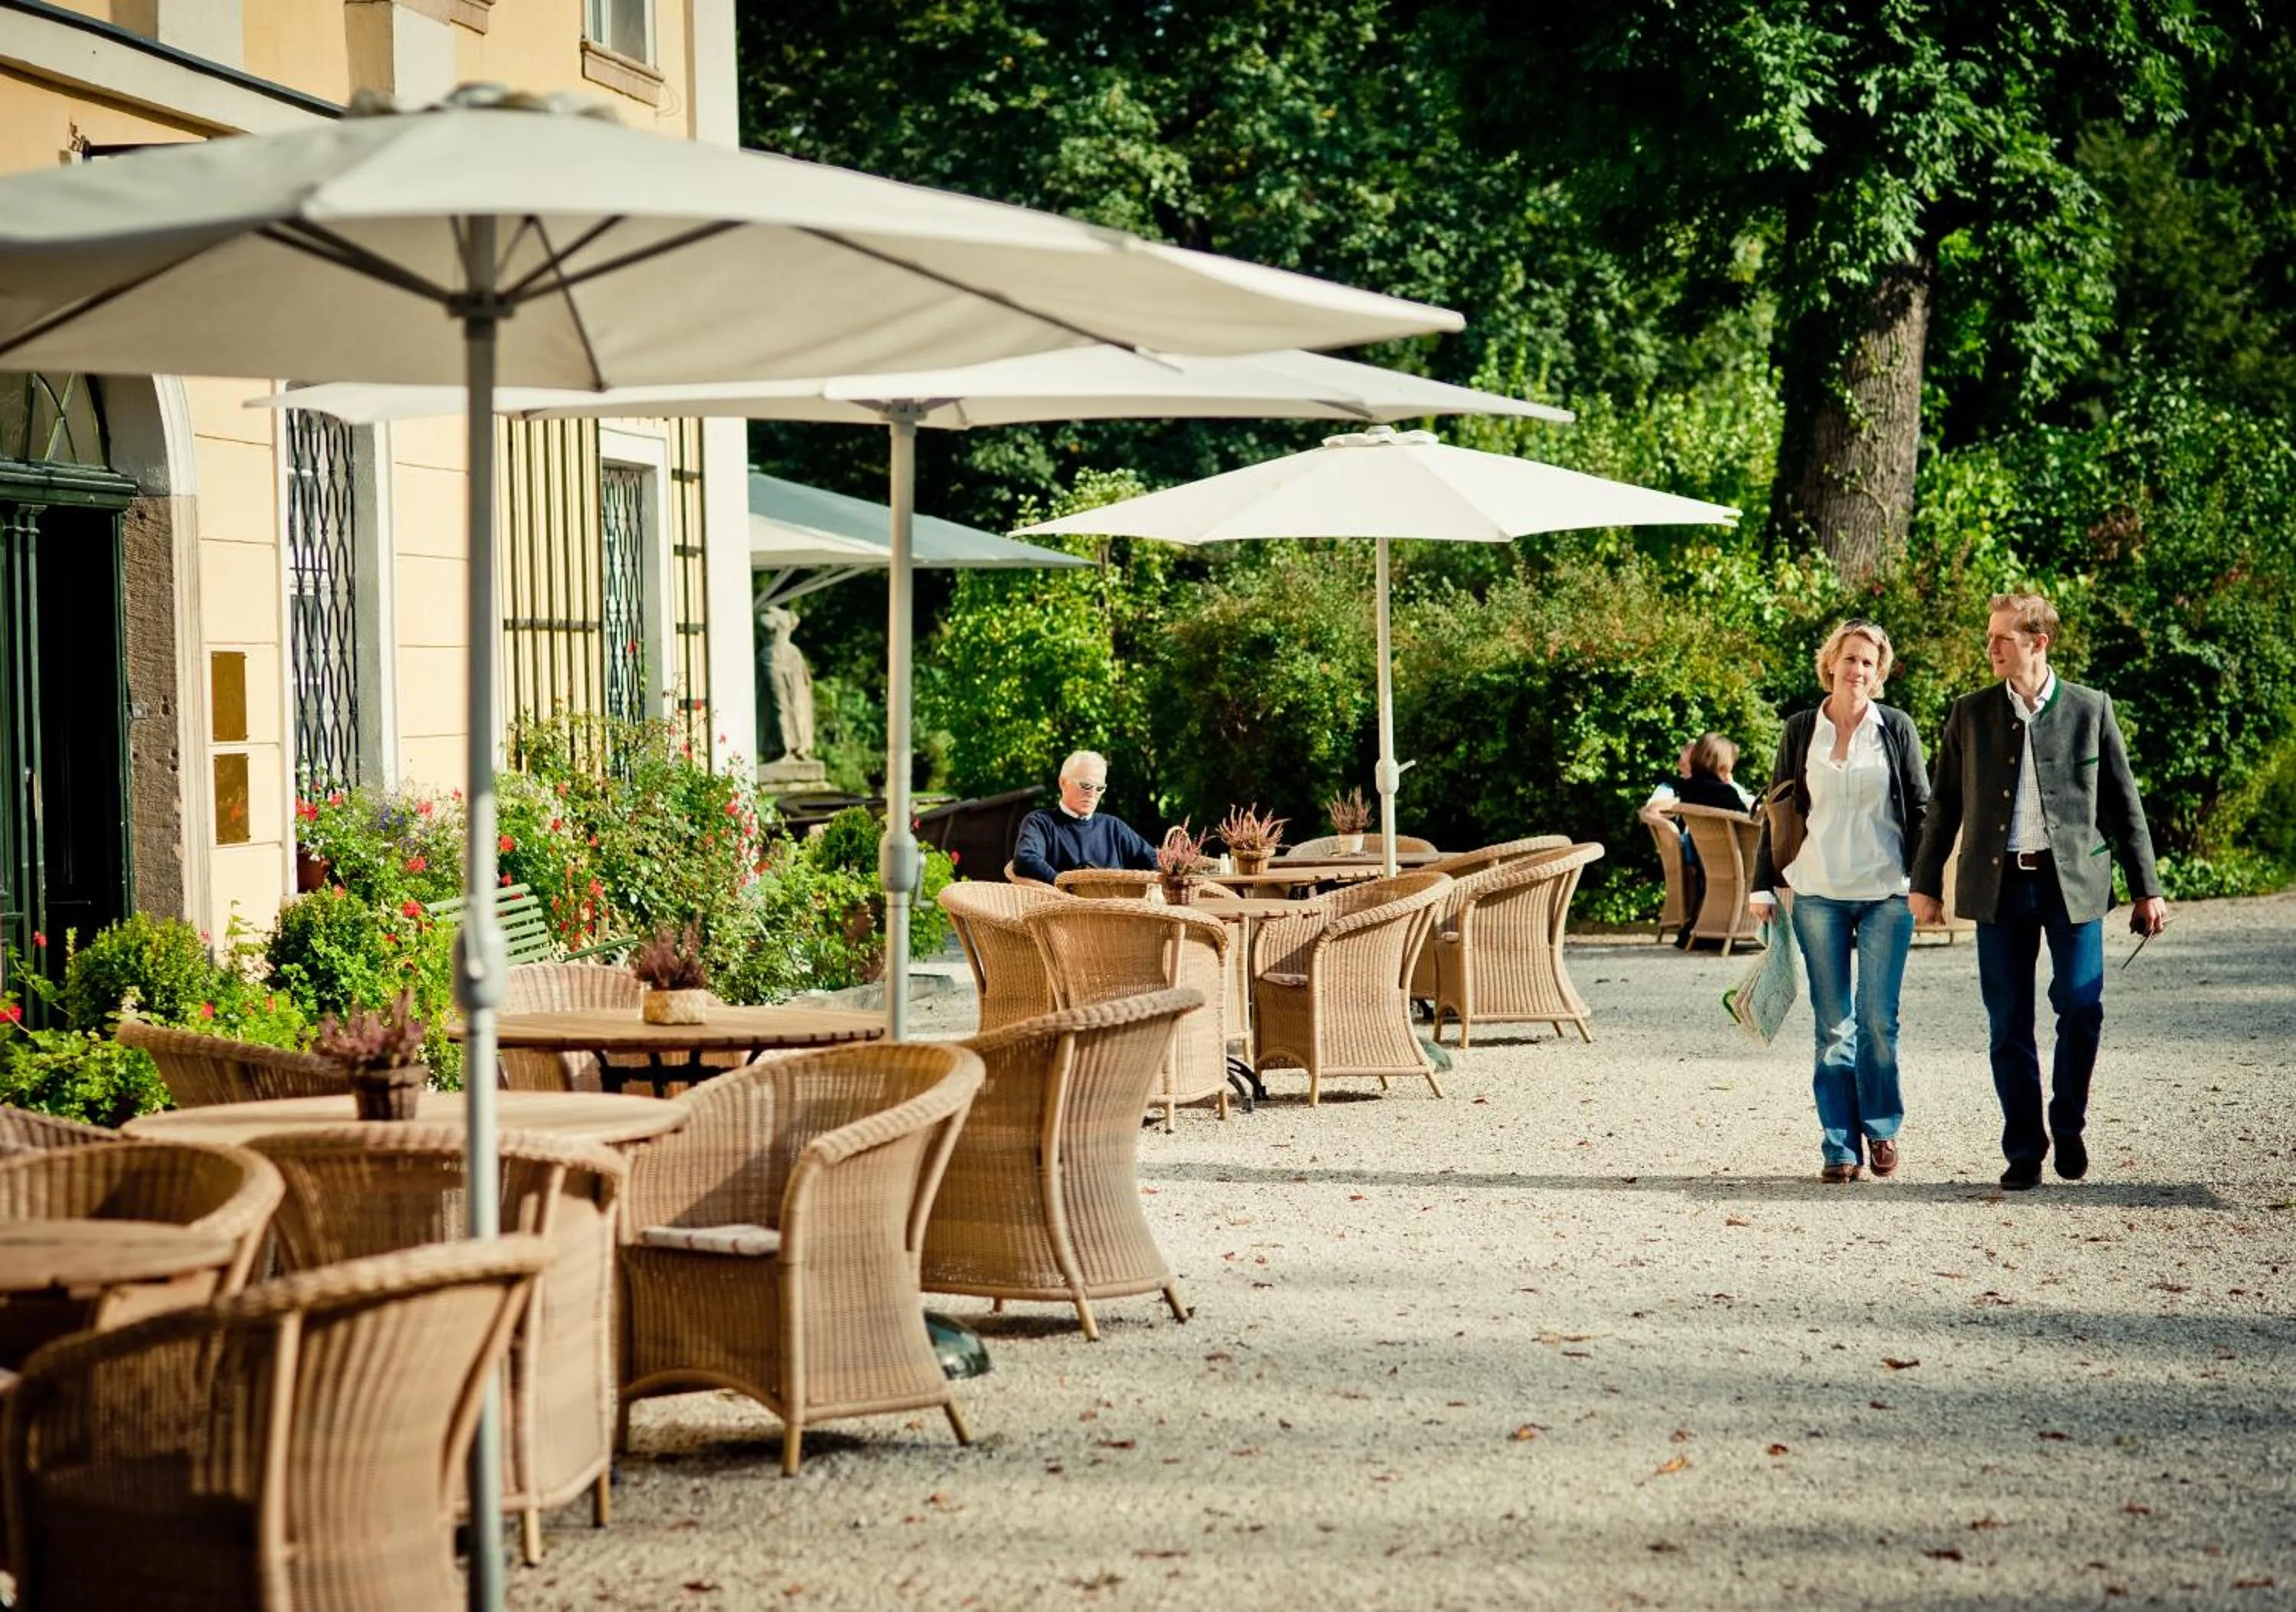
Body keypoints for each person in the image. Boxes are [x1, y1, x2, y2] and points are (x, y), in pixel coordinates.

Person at [1912, 592, 2167, 1191]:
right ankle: (2024, 1147)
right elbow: (1943, 806)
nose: (1991, 647)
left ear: (2039, 643)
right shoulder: (1968, 714)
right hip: (1998, 883)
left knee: (2081, 1005)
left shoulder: (2089, 709)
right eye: (1990, 636)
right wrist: (1924, 885)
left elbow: (2123, 804)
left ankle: (2068, 1122)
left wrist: (2146, 889)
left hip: (2071, 881)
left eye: (2003, 637)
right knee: (2008, 1023)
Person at [1748, 621, 1929, 1183]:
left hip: (1886, 894)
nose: (1858, 670)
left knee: (1878, 1021)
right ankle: (1838, 1146)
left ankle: (1881, 1127)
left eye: (1869, 664)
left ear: (1879, 675)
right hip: (1818, 892)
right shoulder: (1803, 729)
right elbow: (1776, 806)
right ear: (1833, 662)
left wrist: (1926, 886)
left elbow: (1922, 808)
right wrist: (1762, 882)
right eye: (1850, 659)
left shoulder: (1895, 728)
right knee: (1833, 1026)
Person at [1653, 733, 1756, 948]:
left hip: (1706, 859)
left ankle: (1701, 929)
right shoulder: (1723, 792)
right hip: (1741, 858)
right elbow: (1747, 821)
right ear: (1722, 762)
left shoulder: (1689, 788)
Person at [1009, 751, 1159, 885]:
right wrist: (1066, 885)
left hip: (1115, 912)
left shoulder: (1113, 827)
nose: (1092, 794)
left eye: (1099, 788)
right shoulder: (1041, 823)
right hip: (1062, 911)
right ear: (1063, 783)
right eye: (1086, 786)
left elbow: (1156, 861)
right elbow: (1025, 860)